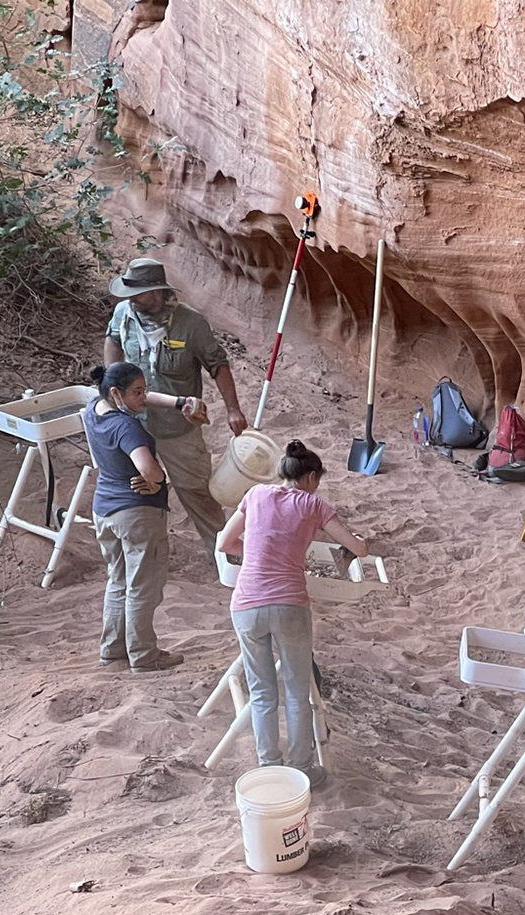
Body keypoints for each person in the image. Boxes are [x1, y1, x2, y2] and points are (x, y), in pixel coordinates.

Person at [213, 442, 369, 783]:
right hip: (289, 604)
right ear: (310, 477)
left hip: (246, 605)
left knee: (262, 691)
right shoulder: (313, 504)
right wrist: (360, 545)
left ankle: (269, 766)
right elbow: (357, 546)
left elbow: (225, 543)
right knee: (297, 691)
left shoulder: (254, 495)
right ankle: (300, 768)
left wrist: (256, 552)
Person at [103, 256, 250, 553]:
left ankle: (219, 552)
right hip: (134, 424)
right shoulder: (123, 313)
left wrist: (233, 408)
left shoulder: (191, 323)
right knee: (136, 486)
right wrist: (111, 381)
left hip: (178, 429)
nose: (132, 300)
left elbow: (218, 365)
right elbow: (113, 340)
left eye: (138, 294)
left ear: (157, 292)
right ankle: (145, 551)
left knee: (196, 491)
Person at [83, 362, 197, 673]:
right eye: (137, 392)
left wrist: (178, 402)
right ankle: (144, 655)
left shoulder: (93, 408)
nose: (143, 397)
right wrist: (158, 481)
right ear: (116, 393)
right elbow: (149, 470)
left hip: (105, 508)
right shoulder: (126, 427)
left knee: (118, 581)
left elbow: (147, 398)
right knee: (143, 586)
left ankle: (112, 650)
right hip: (137, 513)